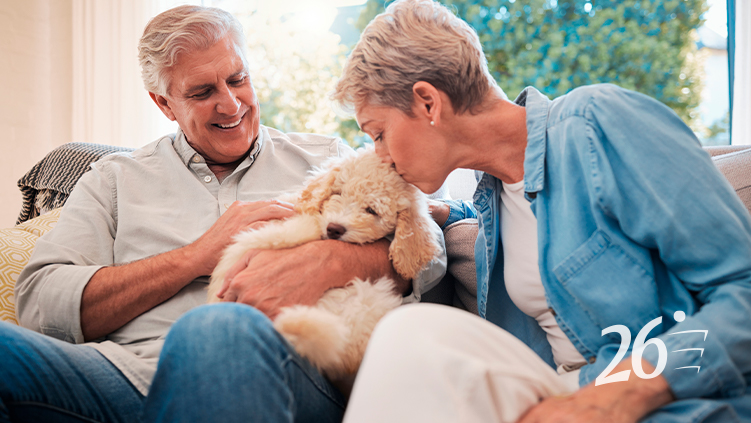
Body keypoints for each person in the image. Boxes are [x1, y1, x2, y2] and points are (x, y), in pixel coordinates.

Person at [1, 5, 447, 423]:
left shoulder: (327, 159)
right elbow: (41, 301)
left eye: (237, 79)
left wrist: (339, 260)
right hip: (124, 375)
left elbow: (425, 242)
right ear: (163, 103)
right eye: (202, 92)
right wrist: (198, 255)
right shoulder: (113, 179)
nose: (231, 104)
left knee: (218, 329)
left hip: (284, 367)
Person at [331, 0, 751, 422]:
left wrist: (621, 395)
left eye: (379, 133)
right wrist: (436, 215)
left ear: (427, 103)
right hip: (562, 391)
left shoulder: (598, 124)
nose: (380, 156)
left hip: (665, 399)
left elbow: (744, 293)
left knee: (409, 334)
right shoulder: (490, 200)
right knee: (412, 336)